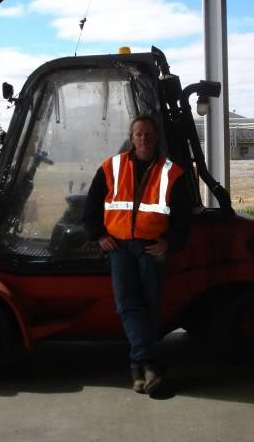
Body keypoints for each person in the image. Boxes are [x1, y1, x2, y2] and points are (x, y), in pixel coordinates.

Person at [83, 114, 192, 394]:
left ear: (156, 138)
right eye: (138, 134)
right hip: (119, 246)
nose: (144, 138)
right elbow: (90, 208)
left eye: (148, 134)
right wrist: (99, 235)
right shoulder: (111, 167)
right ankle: (147, 363)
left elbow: (183, 218)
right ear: (131, 138)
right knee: (126, 304)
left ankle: (138, 368)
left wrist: (168, 242)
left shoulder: (172, 173)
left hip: (151, 247)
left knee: (149, 305)